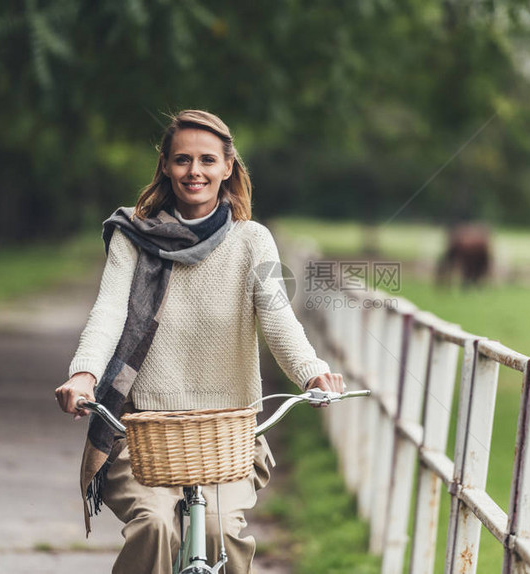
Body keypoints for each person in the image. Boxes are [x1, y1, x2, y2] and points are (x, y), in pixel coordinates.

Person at [54, 109, 343, 574]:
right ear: (166, 165)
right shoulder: (133, 236)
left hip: (226, 438)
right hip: (142, 434)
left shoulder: (252, 241)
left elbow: (277, 317)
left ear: (228, 166)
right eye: (183, 160)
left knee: (220, 530)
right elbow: (109, 312)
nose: (195, 171)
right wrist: (84, 375)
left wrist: (312, 371)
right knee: (154, 525)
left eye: (207, 160)